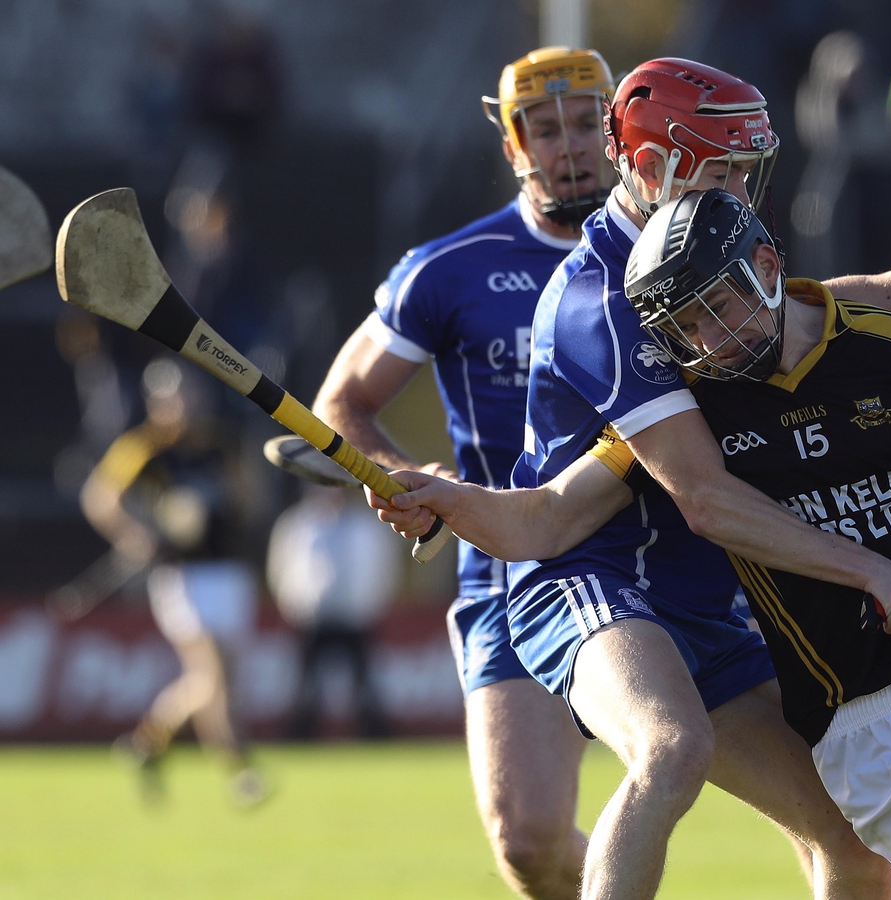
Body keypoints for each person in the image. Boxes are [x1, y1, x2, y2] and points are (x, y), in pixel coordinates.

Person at [320, 50, 891, 900]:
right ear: (654, 167)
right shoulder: (602, 296)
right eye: (726, 167)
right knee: (671, 749)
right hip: (589, 575)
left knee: (851, 842)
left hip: (702, 595)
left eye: (748, 166)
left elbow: (806, 309)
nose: (744, 186)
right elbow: (702, 497)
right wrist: (870, 569)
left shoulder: (701, 243)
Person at [312, 46, 614, 899]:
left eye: (587, 123)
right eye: (545, 130)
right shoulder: (448, 268)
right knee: (526, 841)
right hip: (515, 571)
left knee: (820, 805)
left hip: (665, 559)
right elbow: (342, 401)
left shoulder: (667, 252)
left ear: (617, 130)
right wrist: (399, 472)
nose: (571, 146)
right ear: (515, 147)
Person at [83, 358, 266, 807]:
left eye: (190, 393)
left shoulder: (219, 444)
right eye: (175, 396)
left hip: (227, 569)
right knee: (213, 674)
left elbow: (249, 498)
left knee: (215, 682)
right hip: (182, 576)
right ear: (157, 403)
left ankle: (146, 743)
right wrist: (135, 535)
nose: (185, 403)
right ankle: (240, 773)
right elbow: (99, 498)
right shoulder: (144, 449)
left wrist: (223, 500)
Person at [267, 484, 398, 740]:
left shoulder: (363, 524)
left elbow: (383, 565)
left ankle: (374, 736)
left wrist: (373, 602)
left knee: (364, 683)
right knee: (307, 685)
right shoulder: (298, 524)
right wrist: (290, 602)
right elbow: (280, 566)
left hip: (355, 615)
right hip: (312, 615)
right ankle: (301, 737)